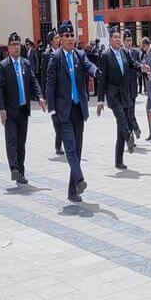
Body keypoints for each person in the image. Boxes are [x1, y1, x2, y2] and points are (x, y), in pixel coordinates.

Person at [46, 21, 99, 202]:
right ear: (60, 39)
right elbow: (50, 85)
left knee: (77, 149)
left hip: (78, 109)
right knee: (69, 147)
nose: (70, 39)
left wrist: (97, 72)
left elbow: (89, 66)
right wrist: (52, 110)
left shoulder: (80, 55)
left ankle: (72, 191)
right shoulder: (55, 57)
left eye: (71, 36)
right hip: (63, 111)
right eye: (66, 36)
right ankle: (80, 179)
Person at [0, 32, 45, 184]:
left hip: (23, 110)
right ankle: (14, 169)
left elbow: (33, 81)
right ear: (8, 48)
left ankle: (21, 173)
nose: (16, 47)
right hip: (10, 111)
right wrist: (1, 109)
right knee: (11, 141)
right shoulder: (4, 65)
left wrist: (40, 97)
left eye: (18, 45)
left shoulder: (26, 63)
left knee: (21, 143)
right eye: (13, 45)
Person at [96, 25, 140, 170]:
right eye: (114, 37)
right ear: (110, 40)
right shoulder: (106, 55)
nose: (117, 40)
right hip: (113, 94)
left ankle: (118, 160)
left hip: (125, 93)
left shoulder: (123, 52)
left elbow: (133, 64)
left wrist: (142, 67)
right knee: (121, 118)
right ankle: (129, 136)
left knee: (120, 127)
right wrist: (100, 100)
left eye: (118, 37)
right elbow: (102, 79)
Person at [40, 29, 64, 155]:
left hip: (62, 92)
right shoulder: (46, 55)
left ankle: (60, 143)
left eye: (58, 38)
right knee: (56, 119)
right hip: (51, 93)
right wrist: (43, 96)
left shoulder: (62, 52)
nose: (58, 40)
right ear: (51, 41)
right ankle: (58, 145)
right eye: (55, 38)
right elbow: (43, 76)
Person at [122, 30, 142, 142]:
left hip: (133, 86)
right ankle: (133, 132)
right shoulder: (120, 52)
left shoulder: (136, 52)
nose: (129, 42)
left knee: (131, 112)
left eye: (130, 40)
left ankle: (132, 132)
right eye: (127, 40)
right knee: (127, 113)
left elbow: (139, 65)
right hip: (123, 88)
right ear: (123, 41)